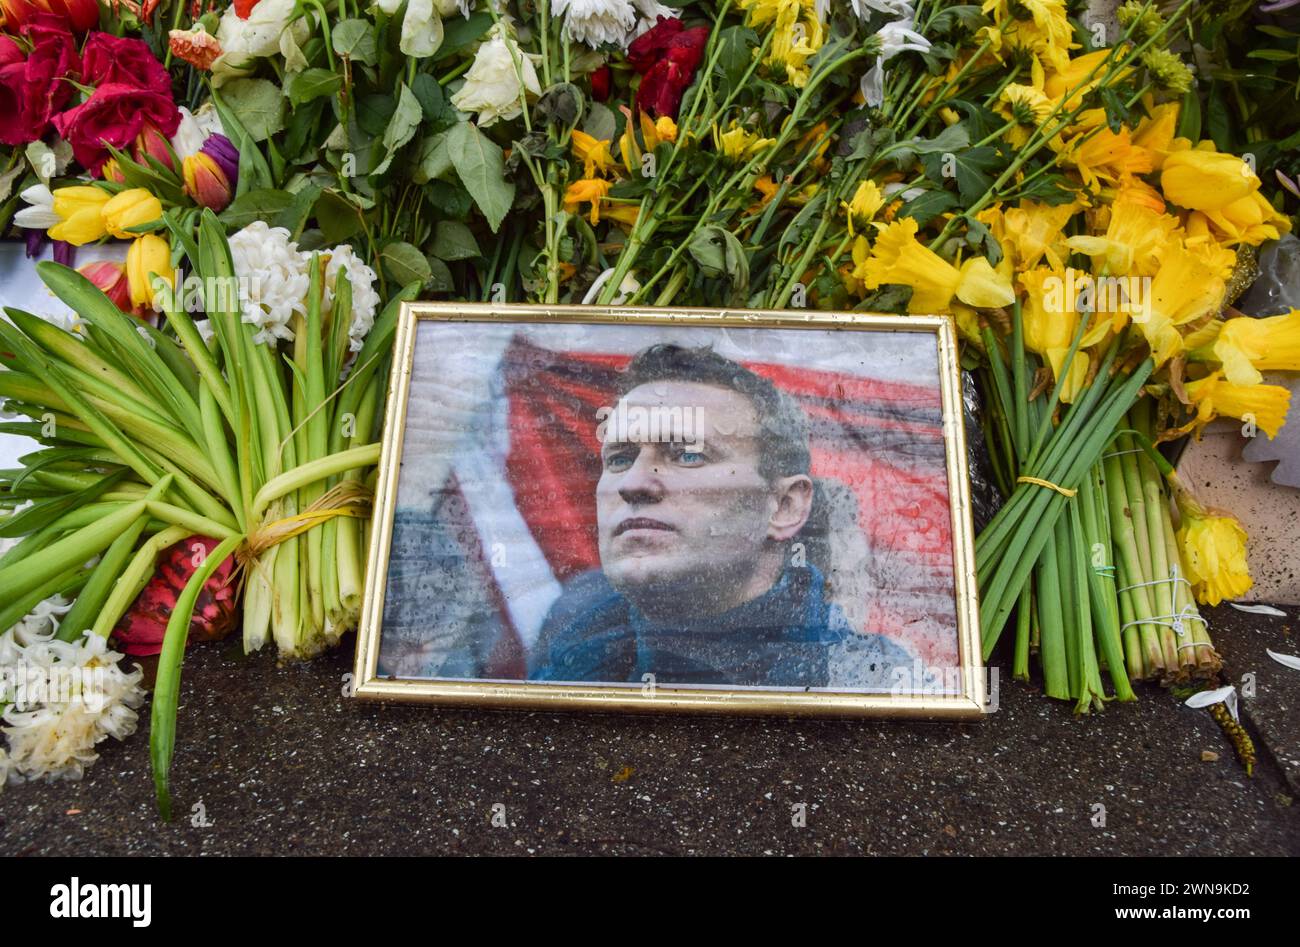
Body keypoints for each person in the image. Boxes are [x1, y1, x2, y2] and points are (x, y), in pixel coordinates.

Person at [529, 344, 913, 689]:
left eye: (688, 455)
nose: (634, 483)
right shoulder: (572, 645)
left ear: (784, 507)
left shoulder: (867, 681)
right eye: (620, 458)